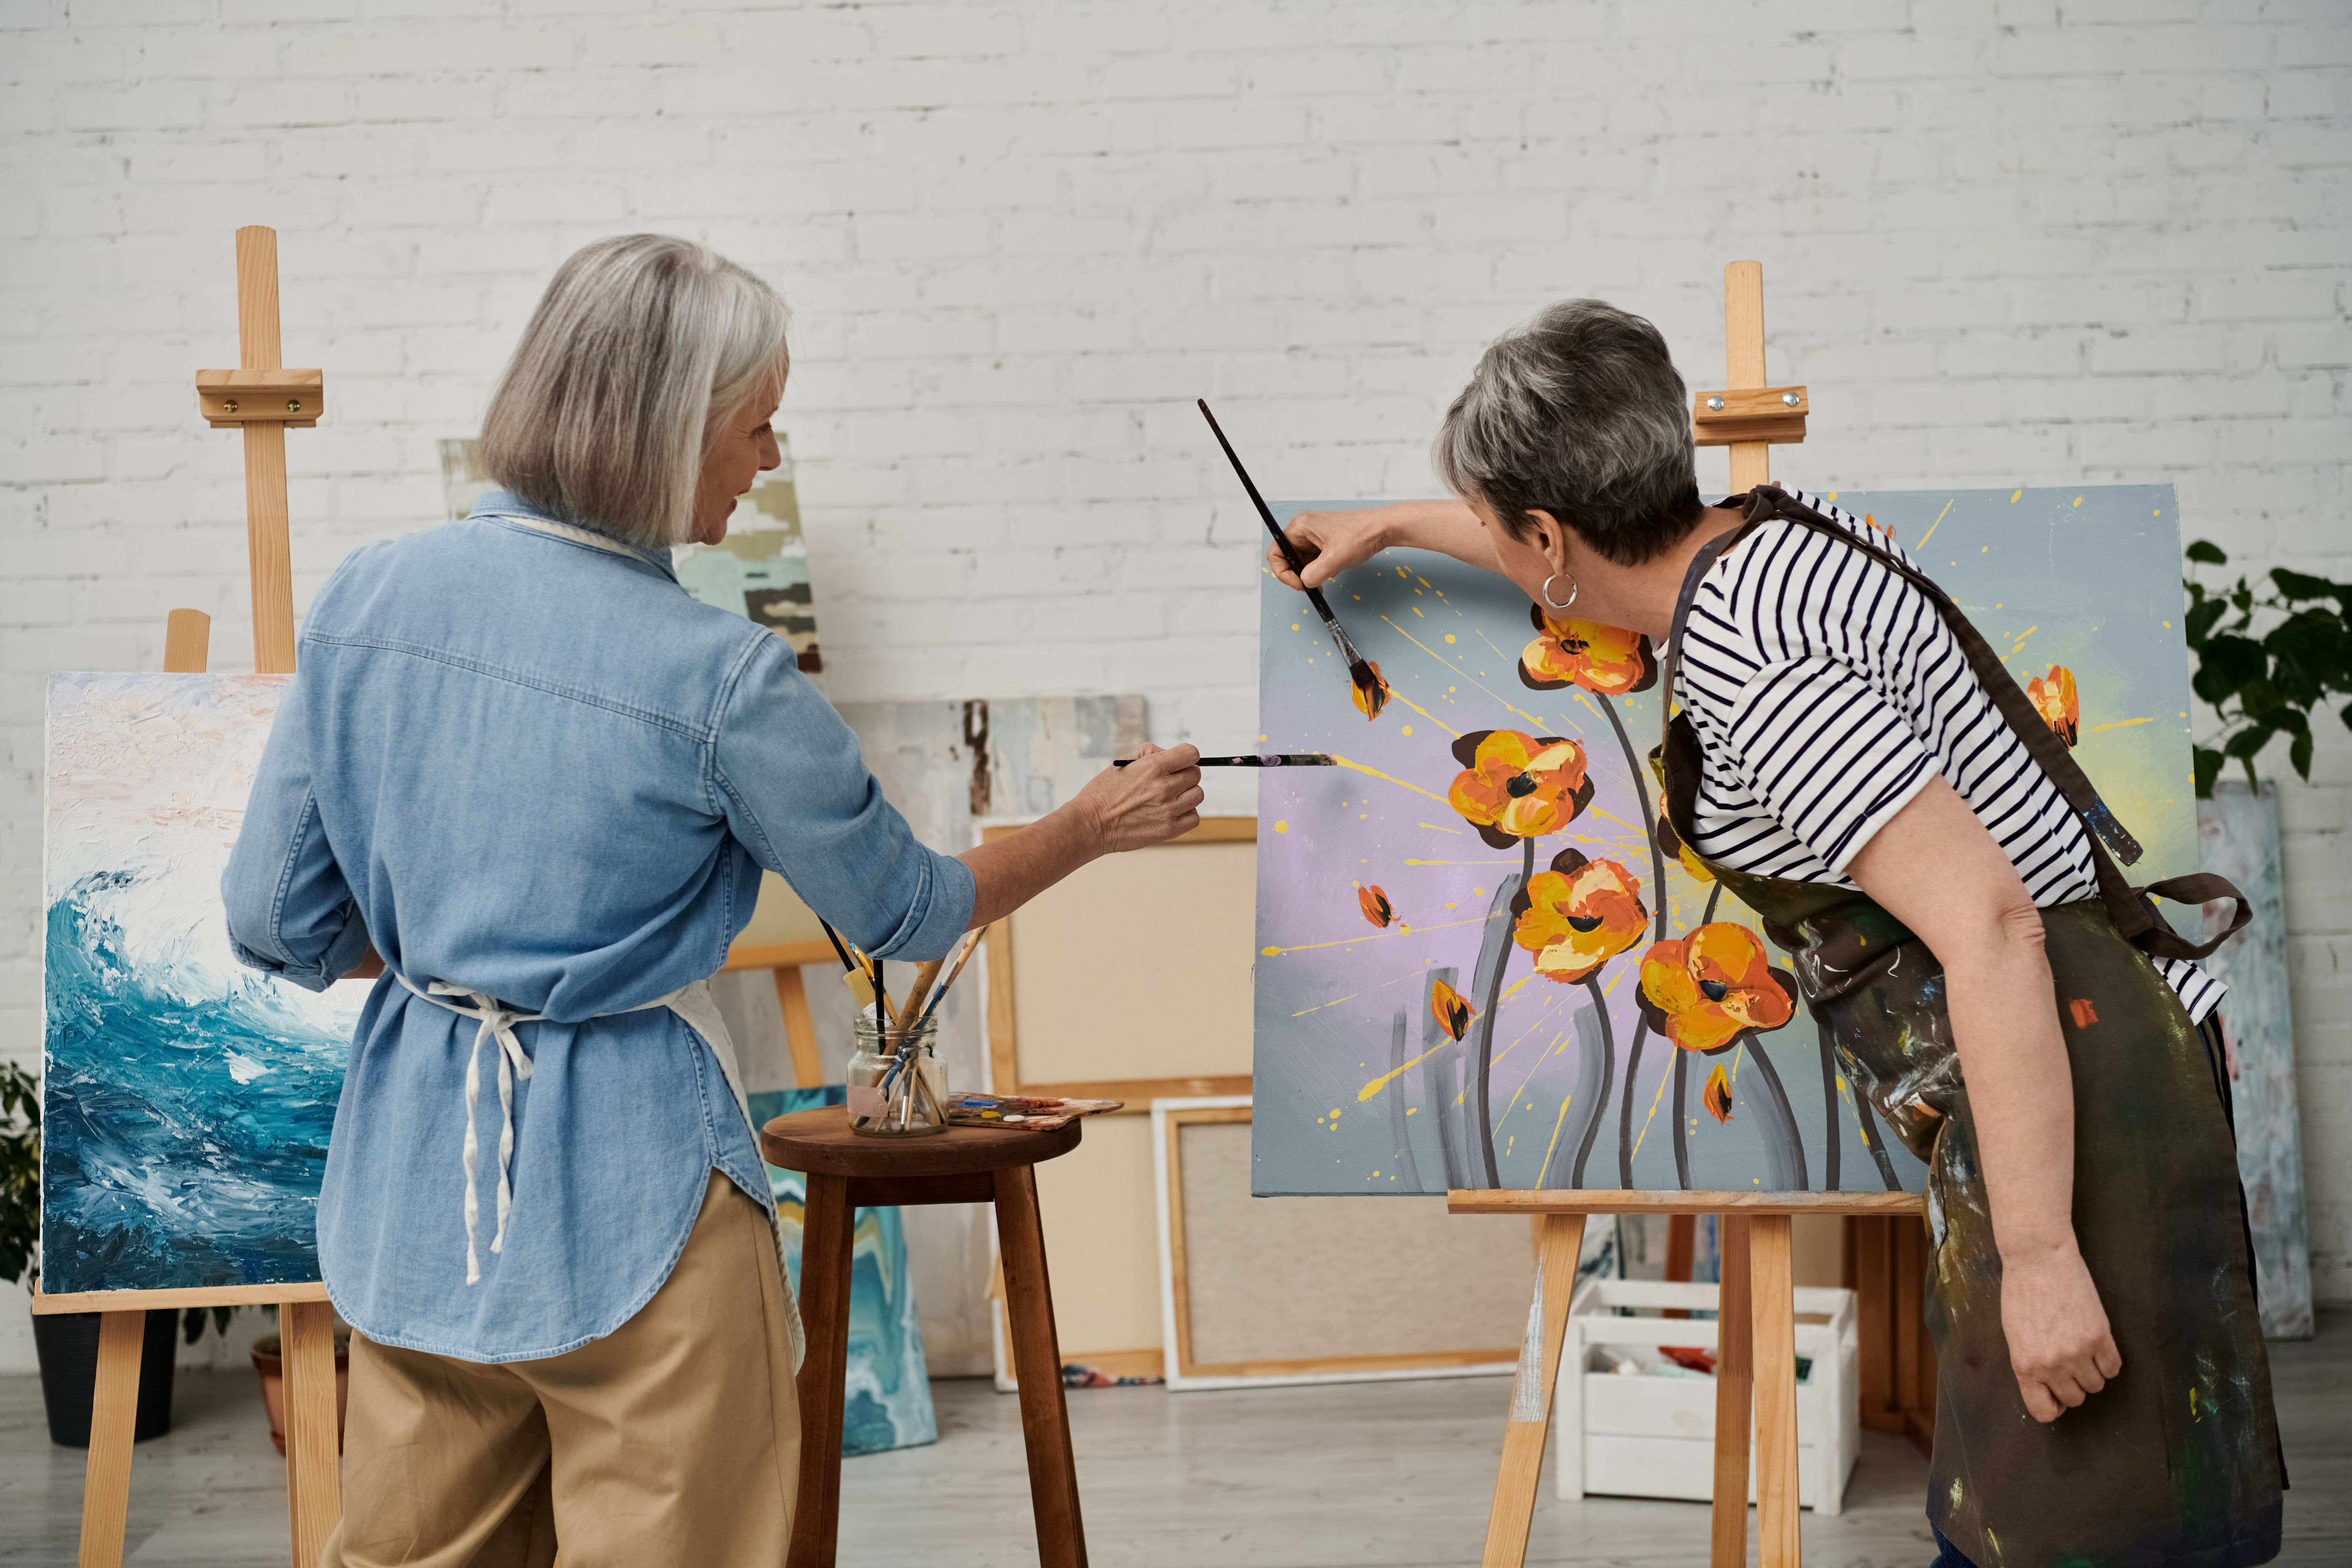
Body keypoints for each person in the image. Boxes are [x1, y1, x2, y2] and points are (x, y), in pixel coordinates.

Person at [222, 234, 1203, 1568]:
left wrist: (457, 959)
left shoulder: (364, 600)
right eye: (758, 425)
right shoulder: (722, 676)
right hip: (645, 1204)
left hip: (412, 1198)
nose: (772, 458)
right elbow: (906, 912)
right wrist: (1093, 822)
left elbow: (277, 925)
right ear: (664, 432)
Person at [1271, 301, 2281, 1567]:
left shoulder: (1762, 672)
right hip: (2063, 1052)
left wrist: (2039, 1258)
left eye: (1500, 527)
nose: (1499, 545)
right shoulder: (1772, 543)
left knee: (2082, 1533)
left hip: (2066, 1076)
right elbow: (1589, 568)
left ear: (1548, 533)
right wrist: (1392, 525)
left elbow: (1993, 928)